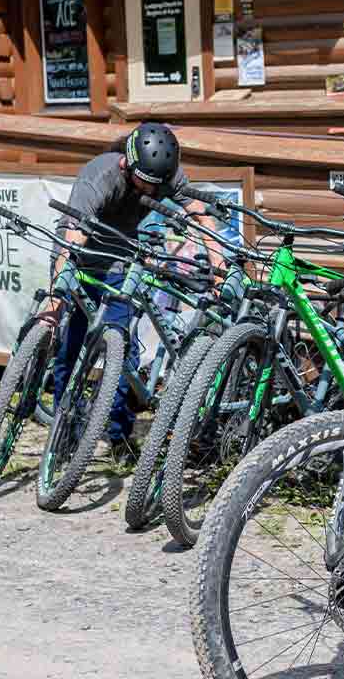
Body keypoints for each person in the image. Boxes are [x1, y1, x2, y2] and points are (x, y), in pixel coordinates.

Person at [46, 122, 216, 462]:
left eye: (158, 186)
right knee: (72, 345)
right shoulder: (100, 177)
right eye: (145, 184)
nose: (152, 192)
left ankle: (118, 435)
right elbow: (73, 238)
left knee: (121, 349)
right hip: (79, 252)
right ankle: (64, 431)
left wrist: (219, 264)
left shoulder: (163, 175)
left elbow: (199, 215)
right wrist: (55, 300)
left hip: (121, 258)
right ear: (126, 163)